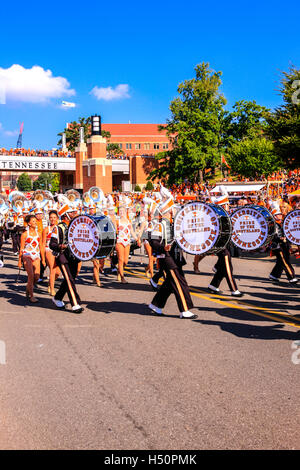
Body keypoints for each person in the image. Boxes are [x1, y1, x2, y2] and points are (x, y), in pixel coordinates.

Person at [49, 206, 84, 313]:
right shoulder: (58, 228)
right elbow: (52, 244)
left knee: (70, 279)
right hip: (62, 256)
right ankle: (75, 303)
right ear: (66, 215)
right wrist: (62, 246)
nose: (74, 214)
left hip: (73, 257)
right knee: (69, 279)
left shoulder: (75, 225)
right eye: (71, 213)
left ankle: (58, 297)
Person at [18, 214, 46, 303]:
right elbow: (21, 248)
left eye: (35, 221)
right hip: (27, 255)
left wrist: (43, 259)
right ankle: (32, 296)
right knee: (31, 276)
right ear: (29, 223)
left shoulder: (39, 234)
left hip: (36, 255)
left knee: (37, 276)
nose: (35, 223)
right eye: (33, 221)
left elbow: (41, 246)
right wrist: (19, 261)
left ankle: (28, 288)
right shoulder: (25, 234)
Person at [269, 203, 298, 285]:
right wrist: (280, 238)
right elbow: (273, 235)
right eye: (278, 214)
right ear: (274, 216)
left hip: (285, 244)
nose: (280, 215)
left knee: (281, 261)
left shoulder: (283, 222)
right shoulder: (273, 224)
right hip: (277, 245)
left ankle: (274, 275)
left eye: (280, 214)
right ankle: (291, 277)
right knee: (285, 261)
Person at [114, 205, 140, 283]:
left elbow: (132, 231)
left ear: (125, 212)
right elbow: (114, 232)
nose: (121, 212)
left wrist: (137, 239)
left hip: (127, 242)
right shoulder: (117, 221)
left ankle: (119, 271)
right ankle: (122, 277)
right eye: (120, 211)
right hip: (119, 242)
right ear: (118, 212)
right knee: (121, 259)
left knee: (125, 261)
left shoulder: (129, 220)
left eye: (123, 211)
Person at [42, 210, 60, 296]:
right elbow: (42, 244)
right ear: (48, 219)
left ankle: (50, 282)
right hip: (48, 250)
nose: (52, 219)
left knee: (57, 272)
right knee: (52, 269)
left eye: (54, 218)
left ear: (57, 218)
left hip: (58, 250)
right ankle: (52, 290)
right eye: (51, 218)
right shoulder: (46, 229)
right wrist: (42, 258)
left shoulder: (59, 228)